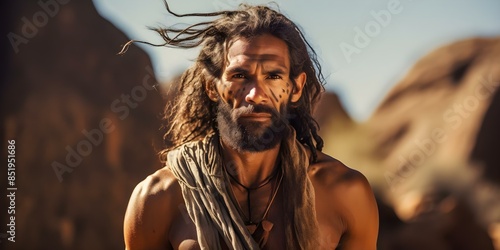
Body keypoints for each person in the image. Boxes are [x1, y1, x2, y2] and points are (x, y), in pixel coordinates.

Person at [122, 3, 378, 249]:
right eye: (240, 75)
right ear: (212, 87)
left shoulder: (344, 194)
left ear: (296, 87)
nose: (255, 94)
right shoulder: (159, 199)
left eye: (273, 76)